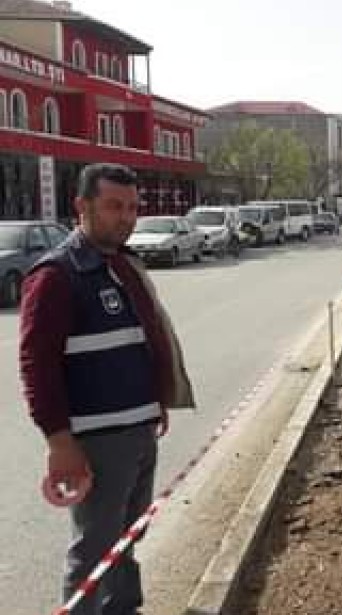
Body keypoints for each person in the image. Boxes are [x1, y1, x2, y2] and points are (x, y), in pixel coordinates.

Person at [19, 163, 195, 614]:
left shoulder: (122, 265)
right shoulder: (56, 276)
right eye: (114, 206)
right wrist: (60, 443)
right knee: (95, 548)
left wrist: (156, 401)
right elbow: (36, 367)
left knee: (128, 537)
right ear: (82, 206)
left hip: (139, 427)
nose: (127, 217)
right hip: (96, 441)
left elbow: (139, 342)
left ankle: (123, 607)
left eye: (133, 207)